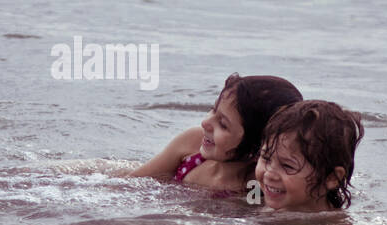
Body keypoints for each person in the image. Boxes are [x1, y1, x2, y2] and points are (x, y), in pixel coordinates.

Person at [128, 73, 302, 195]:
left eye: (223, 125)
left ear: (255, 150)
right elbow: (133, 182)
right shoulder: (192, 143)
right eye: (213, 110)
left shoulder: (254, 187)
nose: (205, 123)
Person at [253, 100, 364, 213]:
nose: (269, 174)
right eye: (266, 159)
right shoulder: (257, 198)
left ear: (331, 178)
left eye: (287, 166)